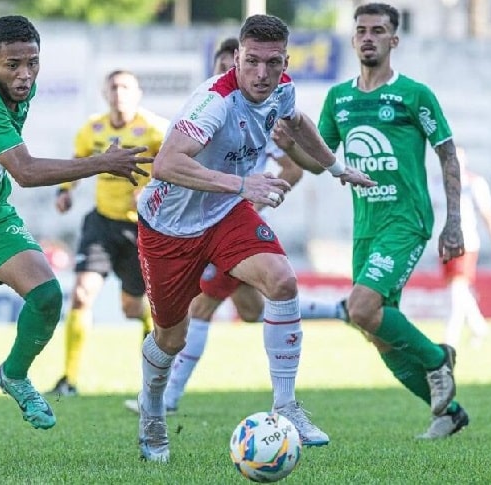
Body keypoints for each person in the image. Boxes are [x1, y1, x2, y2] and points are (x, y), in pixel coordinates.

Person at [0, 15, 153, 459]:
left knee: (48, 297)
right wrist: (100, 163)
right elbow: (27, 171)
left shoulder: (12, 85)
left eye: (32, 64)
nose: (24, 75)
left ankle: (13, 375)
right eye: (12, 65)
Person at [133, 14, 375, 462]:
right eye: (252, 62)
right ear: (237, 58)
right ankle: (151, 410)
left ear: (285, 61)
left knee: (282, 280)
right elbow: (165, 164)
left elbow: (298, 123)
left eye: (273, 62)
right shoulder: (214, 103)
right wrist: (244, 185)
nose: (262, 74)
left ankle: (285, 404)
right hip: (169, 227)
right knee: (171, 338)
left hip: (225, 214)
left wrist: (337, 168)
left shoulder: (282, 89)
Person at [315, 3, 468, 440]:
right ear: (353, 37)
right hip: (366, 225)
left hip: (406, 219)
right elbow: (318, 157)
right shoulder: (338, 99)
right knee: (376, 329)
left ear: (393, 40)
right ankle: (449, 412)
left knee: (359, 308)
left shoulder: (414, 94)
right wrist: (283, 157)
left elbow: (447, 152)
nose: (368, 37)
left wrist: (453, 221)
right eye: (361, 30)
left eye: (378, 31)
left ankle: (438, 359)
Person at [48, 70, 168, 397]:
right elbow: (78, 161)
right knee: (82, 294)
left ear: (137, 93)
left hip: (140, 227)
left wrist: (154, 189)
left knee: (133, 307)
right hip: (102, 223)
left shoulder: (155, 129)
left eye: (125, 87)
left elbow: (175, 165)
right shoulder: (93, 129)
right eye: (113, 87)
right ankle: (69, 380)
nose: (119, 93)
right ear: (104, 93)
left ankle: (153, 372)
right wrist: (65, 191)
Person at [438, 147, 491, 349]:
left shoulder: (474, 183)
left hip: (465, 242)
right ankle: (479, 328)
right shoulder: (436, 184)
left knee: (457, 288)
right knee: (458, 289)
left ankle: (450, 338)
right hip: (444, 243)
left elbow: (488, 214)